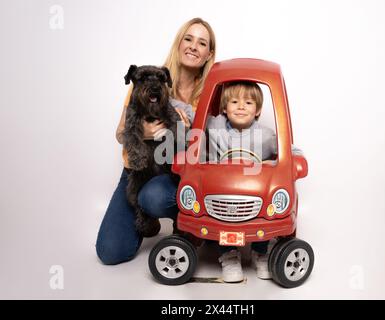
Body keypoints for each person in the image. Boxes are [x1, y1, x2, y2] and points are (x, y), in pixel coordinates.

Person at [96, 18, 216, 265]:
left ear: (208, 54)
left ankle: (185, 226)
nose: (193, 46)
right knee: (111, 251)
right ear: (179, 43)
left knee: (155, 196)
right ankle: (148, 221)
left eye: (202, 43)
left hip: (174, 171)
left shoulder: (209, 93)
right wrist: (146, 132)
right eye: (188, 39)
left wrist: (183, 130)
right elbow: (120, 133)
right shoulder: (144, 78)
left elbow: (207, 145)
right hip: (136, 170)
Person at [206, 81, 277, 282]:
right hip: (224, 190)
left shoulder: (266, 136)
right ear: (224, 108)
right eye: (234, 101)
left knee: (267, 211)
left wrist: (280, 163)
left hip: (254, 191)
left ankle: (260, 251)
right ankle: (229, 254)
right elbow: (194, 116)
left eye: (248, 102)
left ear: (258, 111)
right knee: (221, 216)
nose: (240, 107)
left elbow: (289, 152)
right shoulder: (215, 125)